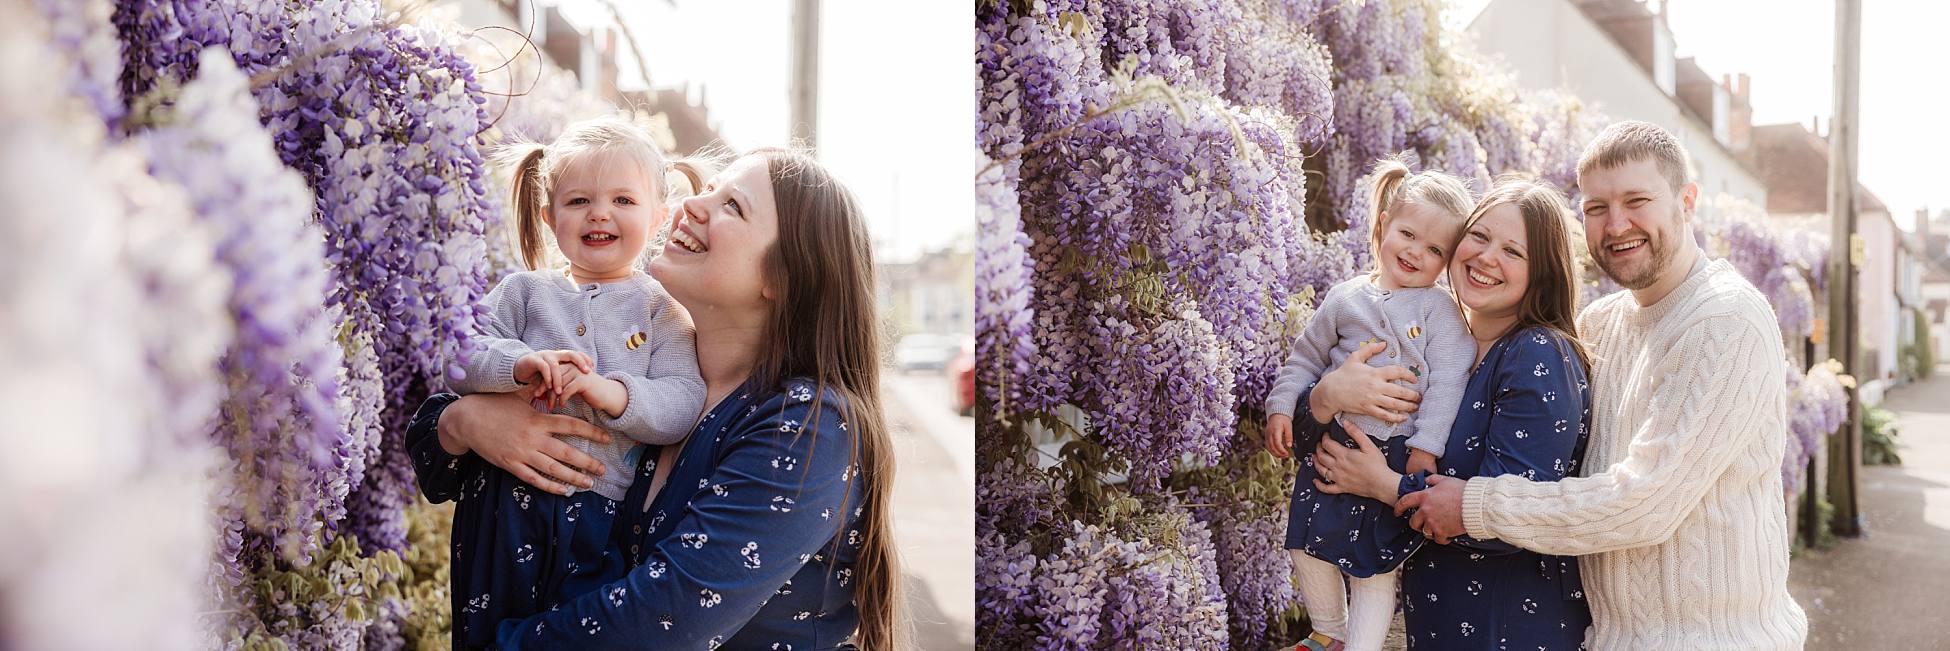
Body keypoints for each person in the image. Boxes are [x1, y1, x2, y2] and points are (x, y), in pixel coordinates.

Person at [407, 148, 905, 649]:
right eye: (708, 190)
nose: (693, 204)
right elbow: (438, 467)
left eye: (733, 205)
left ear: (782, 276)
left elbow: (658, 621)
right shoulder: (651, 375)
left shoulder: (808, 426)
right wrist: (463, 421)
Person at [1393, 120, 1808, 649]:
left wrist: (1476, 506)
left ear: (1686, 201)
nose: (1616, 225)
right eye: (1596, 208)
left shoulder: (1725, 320)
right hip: (1609, 638)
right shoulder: (1599, 324)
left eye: (1637, 201)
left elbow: (1646, 503)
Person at [430, 116, 708, 648]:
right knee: (485, 634)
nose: (599, 212)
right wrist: (520, 366)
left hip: (595, 518)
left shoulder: (663, 311)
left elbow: (681, 402)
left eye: (623, 200)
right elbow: (458, 356)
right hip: (498, 503)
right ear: (549, 217)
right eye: (579, 201)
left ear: (658, 217)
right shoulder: (524, 292)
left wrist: (610, 392)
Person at [1306, 176, 1596, 649]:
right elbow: (1303, 442)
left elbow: (1514, 512)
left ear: (1542, 273)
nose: (1486, 257)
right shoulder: (1437, 346)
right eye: (1479, 236)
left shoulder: (1536, 353)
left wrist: (1382, 484)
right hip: (1443, 623)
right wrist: (1327, 395)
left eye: (1513, 251)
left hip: (1506, 629)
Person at [1261, 156, 1476, 651]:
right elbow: (1305, 359)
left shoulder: (1441, 309)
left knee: (1374, 567)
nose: (1416, 252)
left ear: (1447, 262)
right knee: (1305, 542)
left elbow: (1448, 384)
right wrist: (1281, 407)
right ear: (1383, 225)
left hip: (1394, 453)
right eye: (1408, 234)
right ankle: (1328, 632)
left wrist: (1425, 447)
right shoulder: (1345, 297)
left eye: (1435, 249)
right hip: (1333, 445)